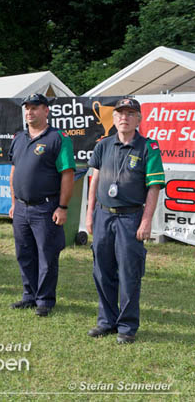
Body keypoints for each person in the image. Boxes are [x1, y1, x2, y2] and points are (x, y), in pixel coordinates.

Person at [85, 98, 165, 344]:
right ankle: (106, 321)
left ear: (138, 119)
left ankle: (127, 326)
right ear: (115, 117)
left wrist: (146, 220)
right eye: (120, 113)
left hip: (130, 217)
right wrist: (89, 214)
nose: (124, 118)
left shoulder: (148, 147)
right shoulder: (103, 144)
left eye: (131, 113)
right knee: (102, 270)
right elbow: (94, 181)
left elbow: (154, 188)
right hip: (103, 215)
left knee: (129, 273)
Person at [8, 94, 75, 317]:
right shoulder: (19, 138)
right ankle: (29, 295)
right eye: (27, 108)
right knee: (24, 253)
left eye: (35, 108)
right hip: (21, 208)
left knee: (47, 255)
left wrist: (63, 207)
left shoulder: (58, 138)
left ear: (46, 111)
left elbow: (67, 174)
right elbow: (14, 170)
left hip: (46, 208)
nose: (29, 112)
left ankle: (45, 300)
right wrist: (13, 202)